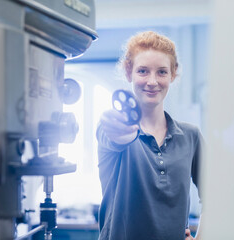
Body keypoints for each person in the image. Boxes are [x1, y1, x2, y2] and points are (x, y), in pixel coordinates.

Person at [96, 31, 203, 240]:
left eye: (162, 72)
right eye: (143, 71)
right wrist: (118, 128)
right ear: (129, 73)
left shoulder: (191, 136)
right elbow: (113, 136)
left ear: (173, 74)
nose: (152, 81)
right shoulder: (113, 128)